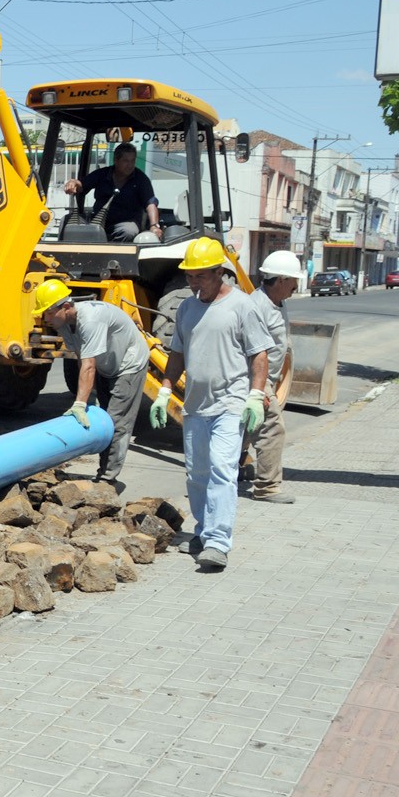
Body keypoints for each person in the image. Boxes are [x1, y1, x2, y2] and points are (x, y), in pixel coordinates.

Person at [149, 238, 274, 571]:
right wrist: (163, 390)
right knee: (197, 475)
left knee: (221, 470)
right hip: (195, 406)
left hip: (230, 404)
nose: (193, 282)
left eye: (200, 276)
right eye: (189, 276)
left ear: (220, 272)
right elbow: (177, 353)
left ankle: (218, 543)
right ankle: (203, 532)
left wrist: (255, 396)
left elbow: (259, 353)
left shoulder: (241, 306)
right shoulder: (187, 308)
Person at [34, 280, 149, 486]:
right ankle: (103, 470)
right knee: (103, 418)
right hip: (107, 363)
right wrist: (88, 393)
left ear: (66, 307)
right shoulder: (64, 324)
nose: (46, 318)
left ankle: (107, 478)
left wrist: (79, 404)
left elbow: (89, 363)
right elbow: (81, 357)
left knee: (116, 422)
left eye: (49, 312)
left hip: (128, 364)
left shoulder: (90, 320)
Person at [246, 250, 305, 504]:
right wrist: (259, 391)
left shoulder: (277, 302)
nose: (296, 286)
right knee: (272, 428)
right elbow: (251, 352)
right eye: (293, 281)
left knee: (245, 428)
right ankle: (267, 486)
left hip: (269, 378)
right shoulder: (255, 306)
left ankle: (231, 470)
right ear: (280, 280)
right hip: (255, 378)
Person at [64, 143, 162, 242]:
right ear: (116, 160)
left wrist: (154, 226)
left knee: (129, 231)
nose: (130, 165)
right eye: (126, 161)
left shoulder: (141, 179)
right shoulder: (102, 174)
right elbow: (82, 185)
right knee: (67, 221)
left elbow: (150, 203)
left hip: (125, 223)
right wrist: (74, 183)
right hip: (98, 220)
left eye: (132, 161)